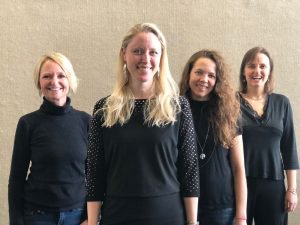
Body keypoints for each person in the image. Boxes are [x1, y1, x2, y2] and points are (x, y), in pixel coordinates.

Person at [86, 23, 199, 225]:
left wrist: (192, 222)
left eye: (153, 52)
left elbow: (189, 172)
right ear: (124, 54)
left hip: (167, 215)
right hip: (118, 215)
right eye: (138, 51)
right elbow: (94, 175)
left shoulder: (178, 107)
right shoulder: (104, 109)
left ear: (161, 58)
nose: (145, 59)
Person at [8, 52, 91, 225]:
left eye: (61, 76)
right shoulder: (27, 124)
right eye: (47, 76)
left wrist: (93, 218)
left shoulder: (86, 122)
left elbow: (96, 177)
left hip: (78, 216)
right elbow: (16, 179)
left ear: (70, 80)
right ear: (39, 82)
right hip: (37, 216)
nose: (54, 82)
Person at [179, 49, 247, 225]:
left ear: (217, 81)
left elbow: (239, 168)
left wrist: (241, 216)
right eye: (199, 72)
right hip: (181, 203)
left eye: (211, 75)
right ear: (189, 74)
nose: (204, 79)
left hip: (221, 207)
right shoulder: (174, 110)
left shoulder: (229, 113)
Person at [237, 46, 299, 225]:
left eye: (262, 66)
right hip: (239, 184)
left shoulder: (282, 103)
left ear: (269, 71)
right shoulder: (231, 102)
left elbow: (289, 149)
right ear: (244, 71)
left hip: (274, 184)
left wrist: (292, 190)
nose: (257, 71)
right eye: (251, 65)